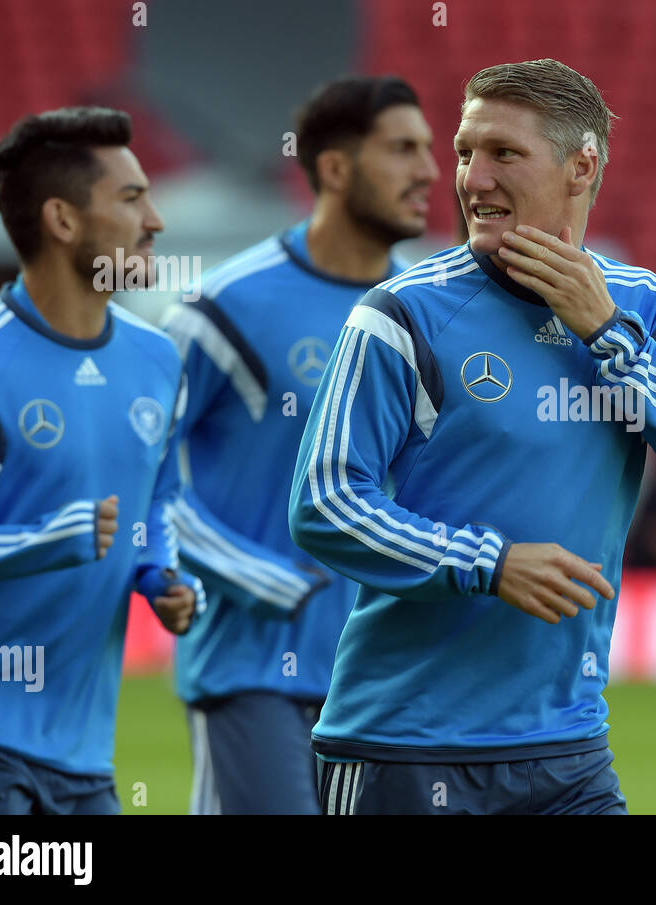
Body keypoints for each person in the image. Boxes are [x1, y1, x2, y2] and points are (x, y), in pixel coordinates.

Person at [288, 58, 656, 815]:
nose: (472, 179)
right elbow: (325, 503)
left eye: (503, 153)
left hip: (569, 753)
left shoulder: (647, 310)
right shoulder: (401, 315)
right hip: (403, 750)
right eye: (466, 152)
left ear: (582, 167)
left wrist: (609, 334)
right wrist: (486, 561)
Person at [160, 75, 439, 815]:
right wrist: (242, 570)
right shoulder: (226, 307)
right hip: (252, 670)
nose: (430, 172)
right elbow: (131, 464)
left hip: (377, 680)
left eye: (430, 150)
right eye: (403, 149)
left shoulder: (423, 312)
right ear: (336, 168)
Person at [0, 107, 200, 814]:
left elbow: (159, 500)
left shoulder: (157, 361)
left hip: (85, 756)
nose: (156, 220)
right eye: (130, 197)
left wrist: (161, 572)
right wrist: (42, 542)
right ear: (62, 219)